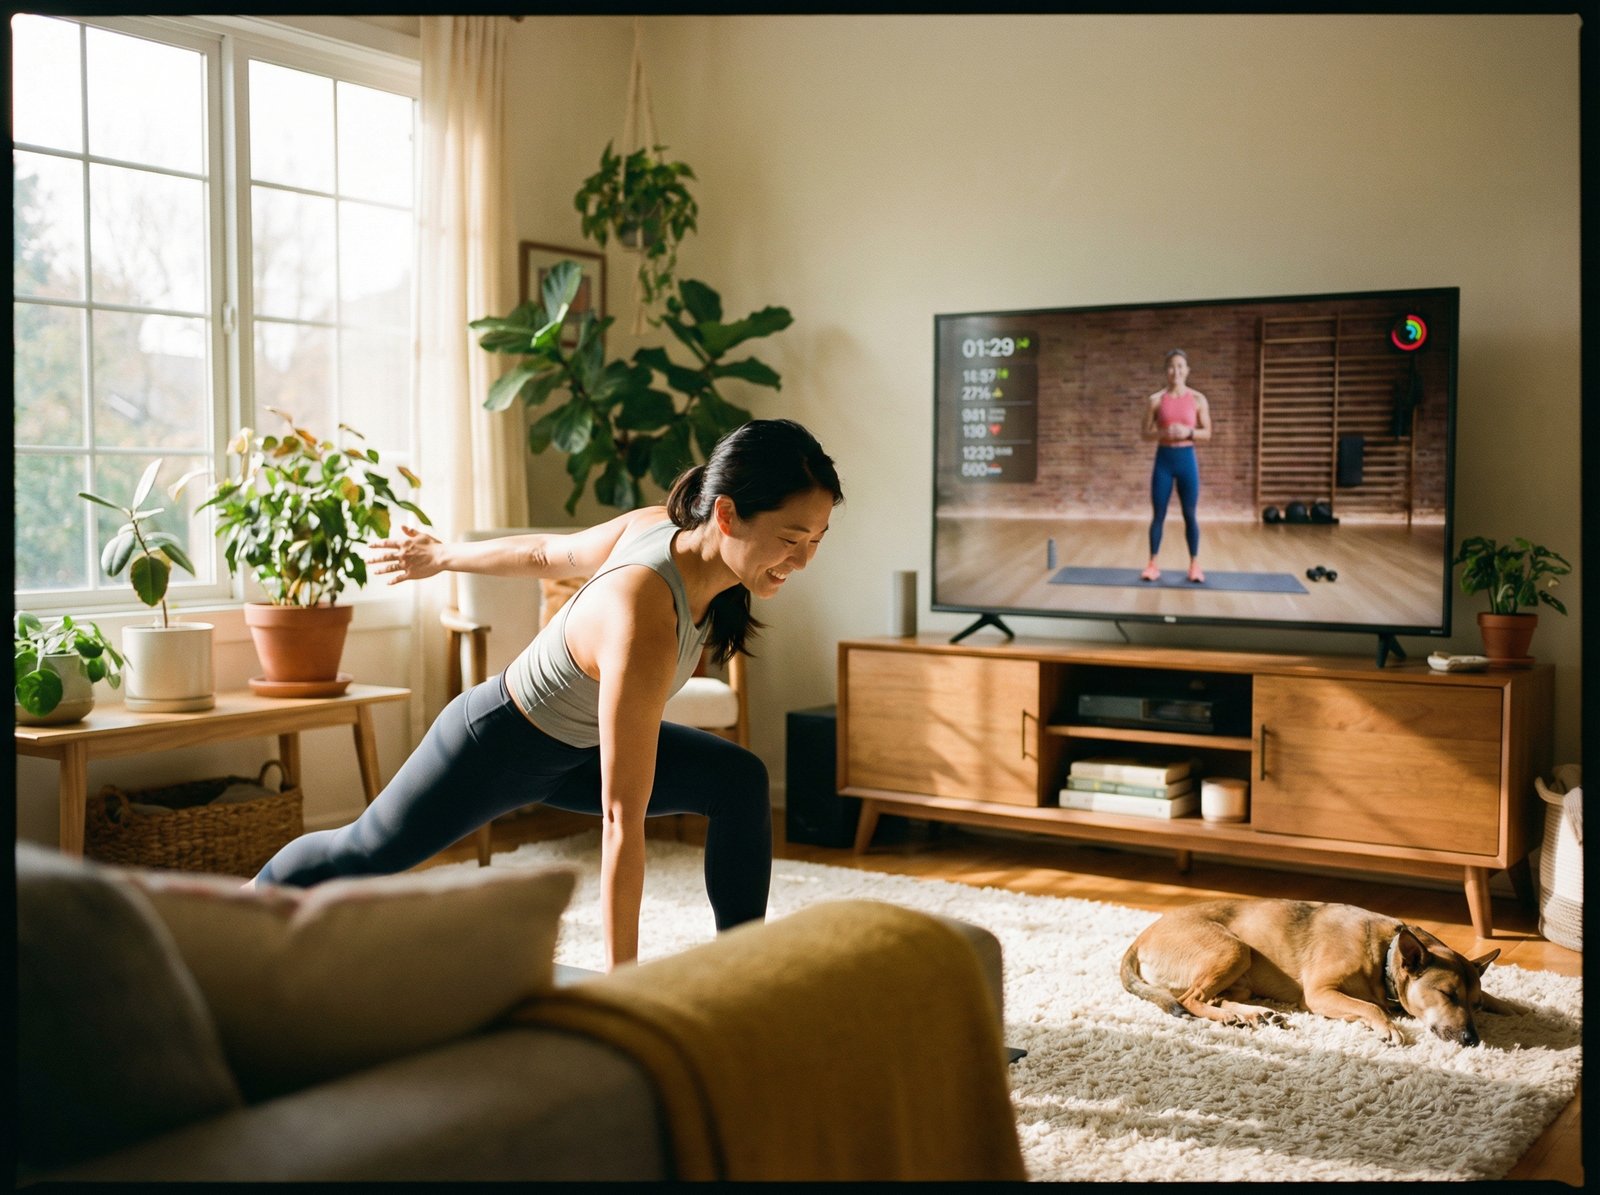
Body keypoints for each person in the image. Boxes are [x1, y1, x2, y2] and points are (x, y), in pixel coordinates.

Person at [251, 418, 843, 970]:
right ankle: (243, 912)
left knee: (738, 781)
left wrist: (441, 556)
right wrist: (624, 991)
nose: (804, 560)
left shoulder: (694, 558)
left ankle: (742, 970)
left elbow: (542, 554)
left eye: (816, 539)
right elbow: (620, 821)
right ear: (728, 513)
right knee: (365, 852)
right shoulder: (644, 607)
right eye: (792, 538)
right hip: (499, 744)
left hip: (574, 751)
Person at [1139, 348, 1212, 584]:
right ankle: (1152, 564)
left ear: (1187, 370)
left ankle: (1194, 564)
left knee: (1189, 514)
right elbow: (1144, 433)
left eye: (1181, 366)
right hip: (1164, 460)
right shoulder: (1155, 400)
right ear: (1166, 371)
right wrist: (1163, 432)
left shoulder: (1198, 399)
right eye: (1172, 366)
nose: (1176, 371)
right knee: (1158, 514)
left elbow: (1208, 433)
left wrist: (1188, 432)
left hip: (1186, 459)